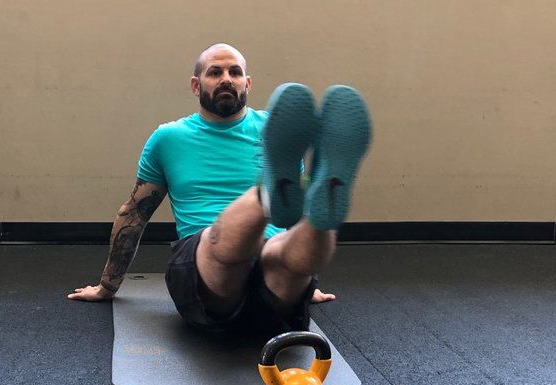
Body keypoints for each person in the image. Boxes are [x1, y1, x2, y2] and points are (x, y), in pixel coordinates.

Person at [68, 43, 371, 335]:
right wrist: (107, 285)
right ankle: (274, 195)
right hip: (202, 264)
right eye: (215, 72)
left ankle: (303, 205)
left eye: (235, 72)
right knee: (225, 250)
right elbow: (135, 213)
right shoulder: (169, 138)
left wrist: (309, 282)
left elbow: (294, 215)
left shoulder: (278, 130)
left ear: (247, 83)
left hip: (267, 268)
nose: (226, 79)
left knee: (284, 255)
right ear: (195, 85)